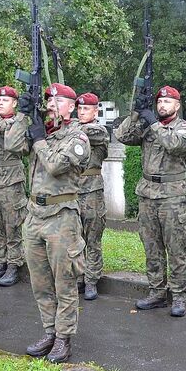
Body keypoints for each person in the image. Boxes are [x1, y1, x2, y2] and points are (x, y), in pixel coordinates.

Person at [5, 83, 90, 363]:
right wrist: (25, 118)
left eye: (58, 101)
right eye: (48, 101)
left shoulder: (78, 137)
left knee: (63, 282)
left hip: (61, 218)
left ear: (71, 106)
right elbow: (12, 145)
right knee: (40, 283)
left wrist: (40, 139)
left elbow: (55, 166)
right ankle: (49, 331)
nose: (52, 105)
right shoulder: (45, 131)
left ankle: (64, 338)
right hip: (34, 216)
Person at [115, 85, 186, 317]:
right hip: (148, 193)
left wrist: (153, 123)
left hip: (172, 196)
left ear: (177, 106)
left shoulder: (185, 128)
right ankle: (157, 292)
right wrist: (136, 113)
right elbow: (122, 136)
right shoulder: (148, 126)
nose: (162, 106)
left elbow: (175, 145)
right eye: (159, 102)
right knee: (151, 246)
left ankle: (179, 296)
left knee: (176, 247)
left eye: (167, 102)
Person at [0, 86, 27, 287]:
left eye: (5, 100)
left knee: (12, 224)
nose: (1, 103)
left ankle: (14, 264)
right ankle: (0, 261)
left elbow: (18, 144)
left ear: (14, 103)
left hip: (11, 178)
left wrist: (5, 124)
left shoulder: (20, 123)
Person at [75, 92, 109, 301]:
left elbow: (87, 134)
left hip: (92, 190)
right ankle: (78, 277)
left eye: (85, 108)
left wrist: (67, 126)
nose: (81, 112)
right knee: (74, 238)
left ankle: (91, 280)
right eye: (79, 108)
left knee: (92, 237)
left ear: (95, 111)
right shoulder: (74, 128)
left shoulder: (99, 130)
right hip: (73, 189)